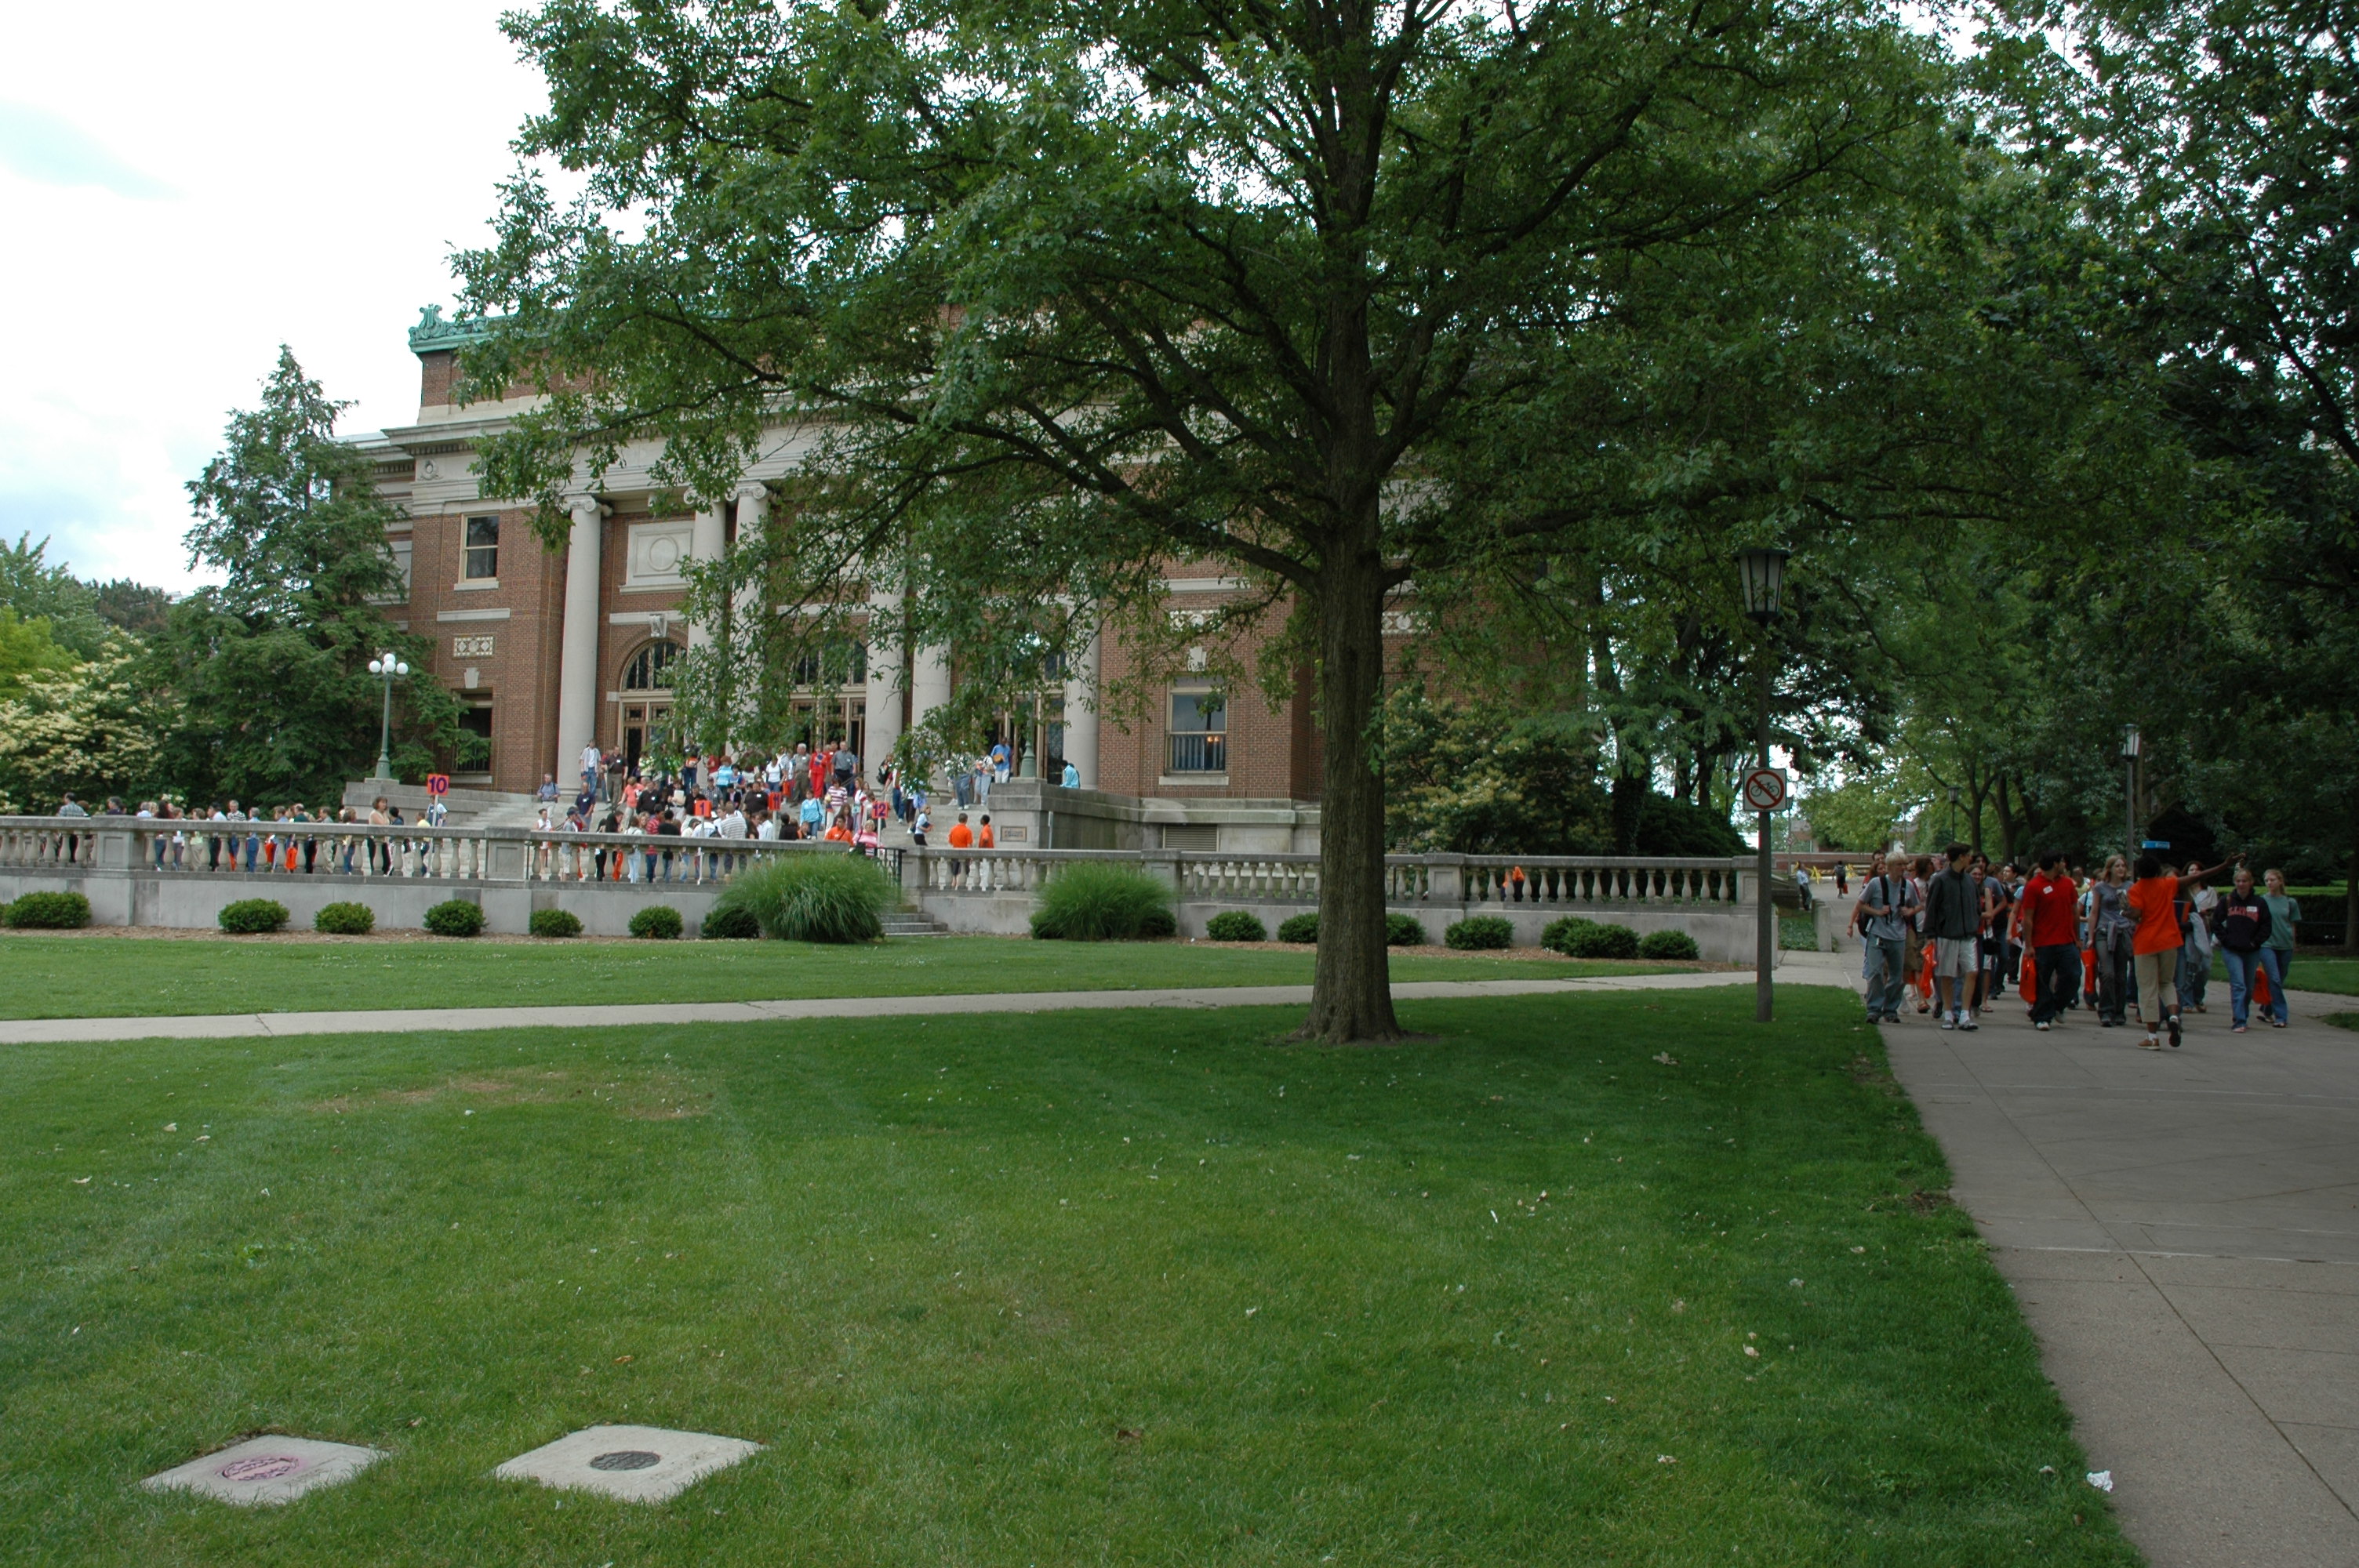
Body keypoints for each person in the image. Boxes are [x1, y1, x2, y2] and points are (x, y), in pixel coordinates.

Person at [2124, 852, 2231, 1049]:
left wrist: (2126, 912)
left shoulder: (2136, 889)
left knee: (2148, 988)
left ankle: (2152, 1036)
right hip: (2169, 940)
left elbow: (2137, 914)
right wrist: (2224, 865)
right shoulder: (2167, 884)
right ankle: (2173, 1016)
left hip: (2146, 942)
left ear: (2139, 872)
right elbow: (2197, 877)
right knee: (2167, 983)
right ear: (2158, 870)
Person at [2013, 851, 2079, 1032]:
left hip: (2066, 940)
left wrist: (2077, 938)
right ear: (2055, 864)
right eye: (2062, 862)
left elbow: (2074, 911)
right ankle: (2042, 1016)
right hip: (2042, 942)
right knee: (2042, 981)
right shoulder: (2034, 886)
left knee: (2073, 975)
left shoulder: (2067, 884)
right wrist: (2029, 945)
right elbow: (2028, 918)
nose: (2065, 865)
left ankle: (2058, 1005)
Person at [1923, 844, 1983, 1030]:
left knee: (1972, 971)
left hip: (1968, 935)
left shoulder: (1969, 881)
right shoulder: (1940, 880)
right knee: (1947, 975)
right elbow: (1932, 907)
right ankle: (1949, 1013)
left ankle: (1964, 1014)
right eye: (1968, 855)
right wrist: (1931, 933)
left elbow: (1976, 905)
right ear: (1961, 857)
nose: (1970, 859)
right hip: (1947, 934)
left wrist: (1974, 922)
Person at [2214, 866, 2275, 1033]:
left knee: (2248, 987)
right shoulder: (2227, 901)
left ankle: (2243, 1014)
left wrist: (2255, 942)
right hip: (2231, 949)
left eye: (2244, 881)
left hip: (2251, 950)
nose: (2241, 884)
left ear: (2251, 882)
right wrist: (2226, 940)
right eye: (2238, 881)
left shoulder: (2259, 903)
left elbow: (2266, 926)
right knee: (2238, 984)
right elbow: (2216, 923)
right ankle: (2239, 1020)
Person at [1855, 855, 1914, 1024]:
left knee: (1897, 976)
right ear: (1890, 866)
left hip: (1898, 936)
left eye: (1905, 864)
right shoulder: (1875, 884)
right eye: (1899, 864)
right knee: (1875, 972)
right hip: (1878, 934)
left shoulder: (1908, 886)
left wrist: (1910, 911)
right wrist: (1878, 912)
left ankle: (1890, 1009)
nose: (1903, 868)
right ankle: (1874, 1009)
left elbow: (1917, 906)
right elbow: (1860, 905)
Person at [2085, 855, 2134, 1027]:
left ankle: (2119, 1011)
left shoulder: (2129, 887)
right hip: (2104, 932)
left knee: (2121, 975)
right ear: (2110, 869)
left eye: (2123, 866)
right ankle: (2105, 1011)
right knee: (2107, 973)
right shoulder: (2100, 887)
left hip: (2123, 930)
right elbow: (2094, 912)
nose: (2121, 869)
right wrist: (2091, 936)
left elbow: (2133, 911)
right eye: (2117, 866)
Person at [2259, 869, 2302, 1026]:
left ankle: (2267, 1008)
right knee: (2274, 978)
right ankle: (2281, 1016)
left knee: (2279, 980)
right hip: (2267, 944)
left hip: (2285, 945)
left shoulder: (2290, 902)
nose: (2269, 883)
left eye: (2272, 880)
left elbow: (2292, 924)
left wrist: (2294, 943)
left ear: (2280, 881)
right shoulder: (2262, 901)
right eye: (2267, 880)